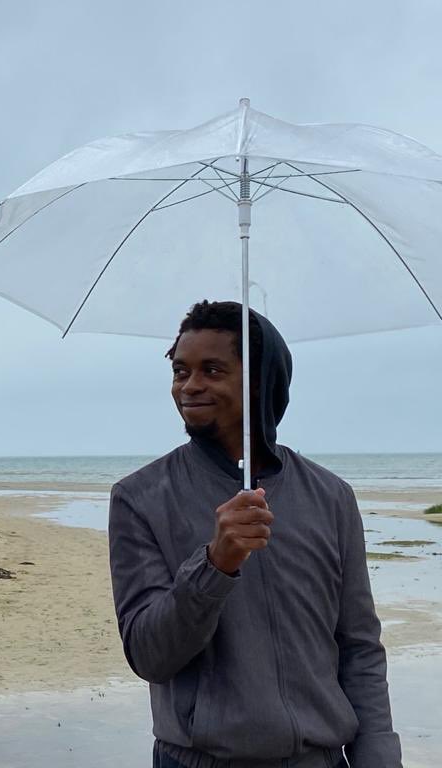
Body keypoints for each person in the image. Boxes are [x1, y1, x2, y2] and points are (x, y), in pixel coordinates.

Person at [108, 300, 401, 768]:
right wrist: (214, 566)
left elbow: (360, 646)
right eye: (181, 371)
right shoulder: (139, 498)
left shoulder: (331, 496)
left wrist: (379, 757)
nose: (190, 386)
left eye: (212, 370)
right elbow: (149, 655)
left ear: (261, 381)